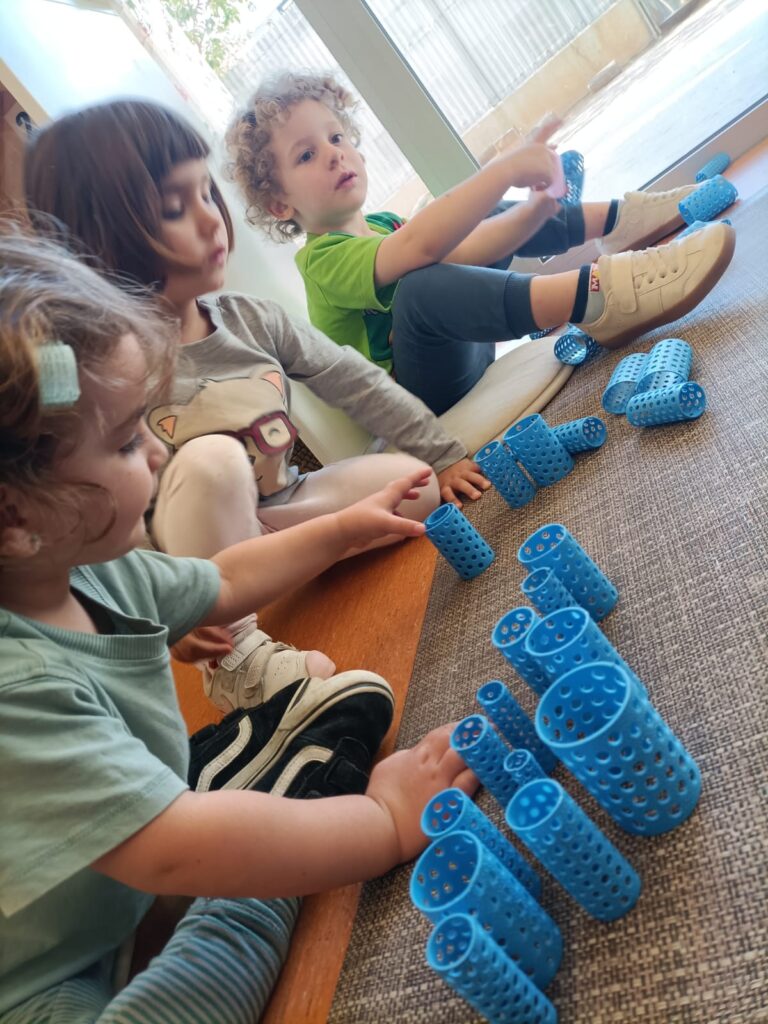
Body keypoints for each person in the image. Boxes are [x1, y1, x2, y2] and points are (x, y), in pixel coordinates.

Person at [0, 227, 477, 1023]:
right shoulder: (16, 689)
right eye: (125, 442)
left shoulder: (82, 567)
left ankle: (235, 795)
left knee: (207, 845)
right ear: (15, 519)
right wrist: (383, 821)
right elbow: (173, 851)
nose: (157, 455)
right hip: (40, 977)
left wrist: (340, 528)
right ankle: (262, 805)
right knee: (215, 943)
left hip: (123, 880)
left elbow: (221, 581)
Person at [23, 98, 490, 715]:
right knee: (212, 461)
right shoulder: (106, 372)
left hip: (280, 507)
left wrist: (444, 454)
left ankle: (288, 567)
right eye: (174, 208)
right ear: (98, 245)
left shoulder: (250, 318)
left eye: (206, 193)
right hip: (193, 564)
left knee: (415, 485)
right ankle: (238, 659)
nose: (211, 221)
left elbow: (355, 381)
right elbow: (97, 511)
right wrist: (168, 606)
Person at [225, 71, 736, 415]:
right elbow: (423, 249)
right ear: (279, 205)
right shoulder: (322, 261)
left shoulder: (382, 224)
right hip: (423, 398)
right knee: (421, 283)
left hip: (465, 352)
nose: (334, 154)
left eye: (336, 137)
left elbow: (467, 250)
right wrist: (503, 170)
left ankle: (620, 220)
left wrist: (532, 212)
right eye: (306, 155)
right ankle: (598, 297)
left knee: (472, 222)